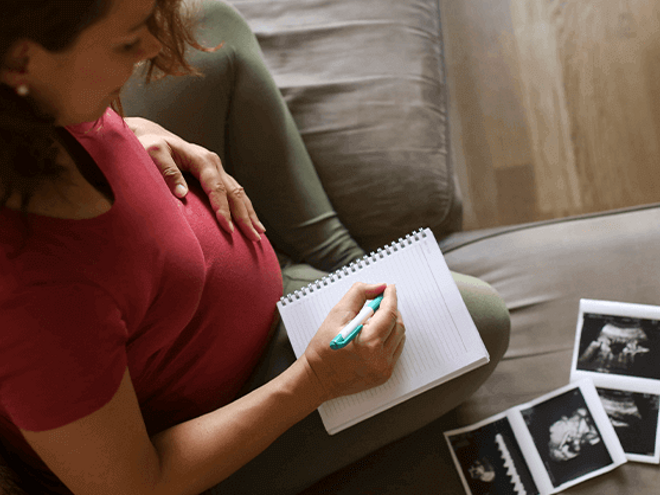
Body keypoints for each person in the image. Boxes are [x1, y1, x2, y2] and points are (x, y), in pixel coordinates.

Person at [0, 1, 510, 494]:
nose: (152, 46)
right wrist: (314, 378)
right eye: (128, 41)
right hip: (216, 408)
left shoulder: (31, 101)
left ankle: (338, 262)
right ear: (21, 59)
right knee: (481, 320)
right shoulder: (32, 299)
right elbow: (137, 484)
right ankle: (331, 284)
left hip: (194, 279)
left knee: (212, 25)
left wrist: (131, 134)